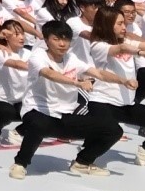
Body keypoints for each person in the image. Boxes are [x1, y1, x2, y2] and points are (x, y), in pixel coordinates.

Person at [10, 20, 124, 179]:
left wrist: (123, 81)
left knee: (113, 130)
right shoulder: (38, 56)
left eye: (66, 39)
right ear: (46, 40)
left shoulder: (72, 58)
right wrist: (77, 83)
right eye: (56, 39)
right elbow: (49, 74)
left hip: (65, 116)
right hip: (38, 111)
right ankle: (20, 164)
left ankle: (82, 162)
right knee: (38, 124)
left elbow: (98, 73)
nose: (62, 44)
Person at [86, 4, 145, 168]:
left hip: (126, 104)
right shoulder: (98, 46)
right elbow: (122, 48)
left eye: (124, 23)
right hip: (103, 103)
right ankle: (82, 161)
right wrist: (139, 52)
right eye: (119, 24)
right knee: (112, 133)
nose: (124, 27)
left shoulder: (126, 41)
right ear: (106, 25)